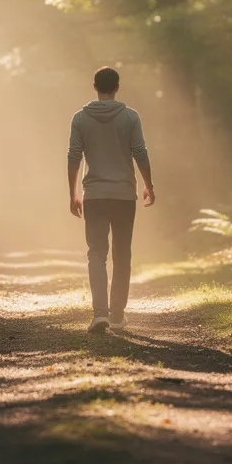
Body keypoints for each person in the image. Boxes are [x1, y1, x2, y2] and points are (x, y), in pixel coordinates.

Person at [67, 66, 155, 334]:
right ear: (117, 87)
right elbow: (140, 152)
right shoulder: (130, 117)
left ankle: (99, 314)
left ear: (95, 86)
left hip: (93, 196)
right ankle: (117, 315)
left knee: (96, 254)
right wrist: (149, 185)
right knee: (122, 254)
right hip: (123, 196)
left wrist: (73, 193)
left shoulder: (80, 118)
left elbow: (73, 156)